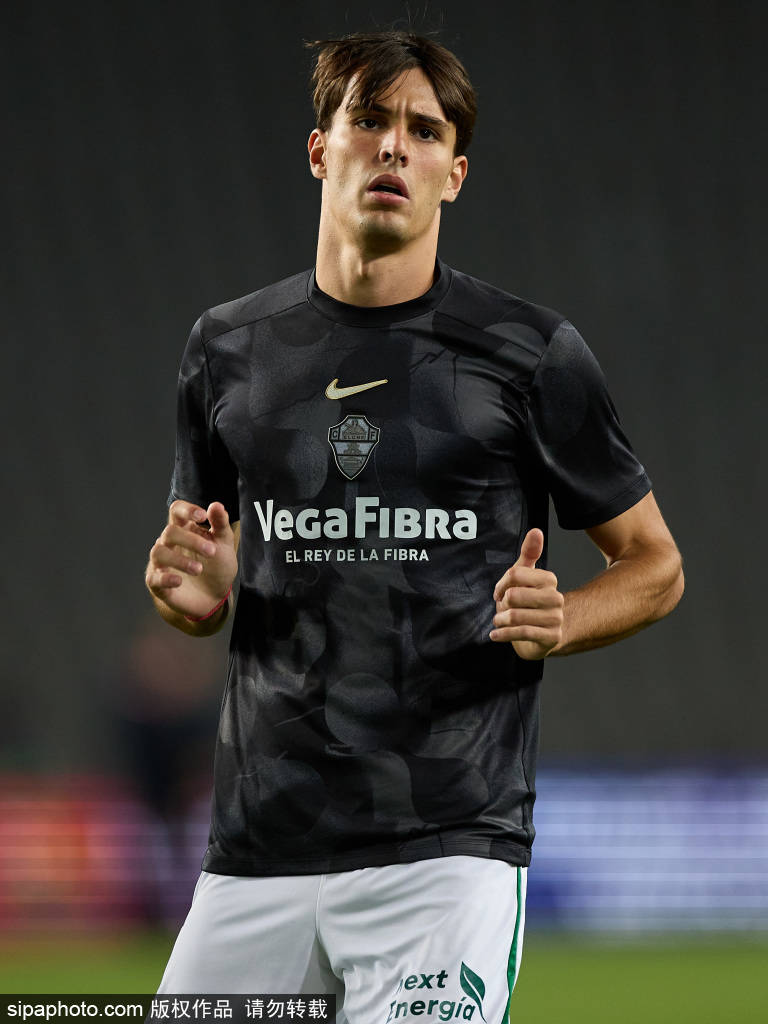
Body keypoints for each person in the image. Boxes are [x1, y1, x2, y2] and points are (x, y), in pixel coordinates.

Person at [144, 30, 683, 1022]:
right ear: (321, 149)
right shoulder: (226, 349)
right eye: (369, 119)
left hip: (443, 849)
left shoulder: (528, 354)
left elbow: (655, 565)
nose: (395, 144)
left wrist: (564, 617)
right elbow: (200, 578)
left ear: (454, 174)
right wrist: (195, 595)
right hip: (257, 850)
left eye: (425, 130)